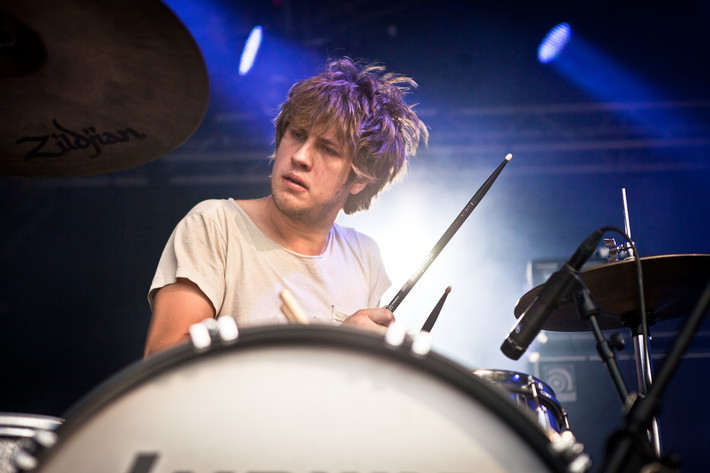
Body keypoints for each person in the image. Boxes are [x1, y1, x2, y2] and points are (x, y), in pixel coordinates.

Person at [143, 57, 428, 357]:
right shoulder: (214, 225)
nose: (301, 156)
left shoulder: (364, 256)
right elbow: (163, 363)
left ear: (360, 180)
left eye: (328, 149)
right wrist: (334, 346)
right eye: (297, 134)